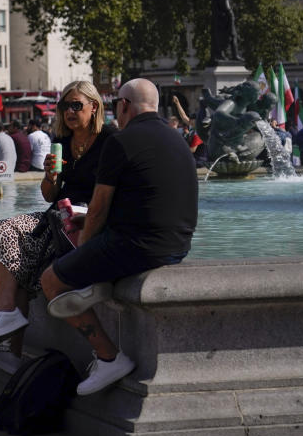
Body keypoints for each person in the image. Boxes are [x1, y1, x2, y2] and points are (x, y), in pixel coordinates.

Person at [38, 79, 197, 396]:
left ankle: (109, 357)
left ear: (123, 106)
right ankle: (98, 284)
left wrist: (83, 253)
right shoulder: (176, 137)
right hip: (178, 245)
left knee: (51, 281)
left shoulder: (121, 141)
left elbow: (97, 210)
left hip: (139, 247)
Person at [0, 81, 116, 373]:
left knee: (24, 260)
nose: (69, 111)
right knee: (1, 231)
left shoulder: (110, 141)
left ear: (95, 107)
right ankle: (7, 314)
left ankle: (11, 349)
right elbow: (49, 196)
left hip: (86, 222)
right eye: (65, 106)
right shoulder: (62, 141)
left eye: (76, 105)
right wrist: (52, 176)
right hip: (56, 217)